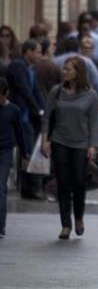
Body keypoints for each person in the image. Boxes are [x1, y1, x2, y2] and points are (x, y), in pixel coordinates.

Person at [41, 56, 98, 240]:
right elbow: (47, 117)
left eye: (68, 69)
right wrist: (45, 140)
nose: (64, 72)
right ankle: (66, 224)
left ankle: (79, 217)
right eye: (64, 69)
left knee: (79, 183)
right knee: (63, 183)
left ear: (78, 72)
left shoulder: (91, 95)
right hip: (60, 141)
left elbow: (94, 123)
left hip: (81, 143)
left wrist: (93, 145)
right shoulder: (57, 91)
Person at [8, 39, 45, 200]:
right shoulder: (18, 66)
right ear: (28, 52)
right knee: (27, 151)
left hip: (28, 116)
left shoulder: (31, 68)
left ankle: (31, 187)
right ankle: (29, 188)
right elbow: (24, 90)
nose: (40, 55)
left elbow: (36, 91)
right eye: (37, 52)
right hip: (21, 116)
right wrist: (36, 109)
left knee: (31, 150)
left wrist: (43, 110)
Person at [0, 78, 24, 238]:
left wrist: (25, 153)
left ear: (6, 94)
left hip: (5, 151)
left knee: (1, 187)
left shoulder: (13, 110)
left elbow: (19, 132)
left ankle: (0, 226)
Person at [53, 37, 98, 103]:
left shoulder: (55, 61)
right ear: (79, 48)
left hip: (60, 99)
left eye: (90, 48)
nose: (88, 50)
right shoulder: (87, 61)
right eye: (85, 48)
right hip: (81, 101)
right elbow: (97, 84)